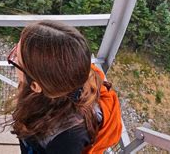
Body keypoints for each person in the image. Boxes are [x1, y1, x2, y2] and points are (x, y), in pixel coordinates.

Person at [7, 21, 122, 154]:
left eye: (16, 59)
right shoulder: (70, 75)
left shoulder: (68, 138)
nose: (13, 57)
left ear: (36, 86)